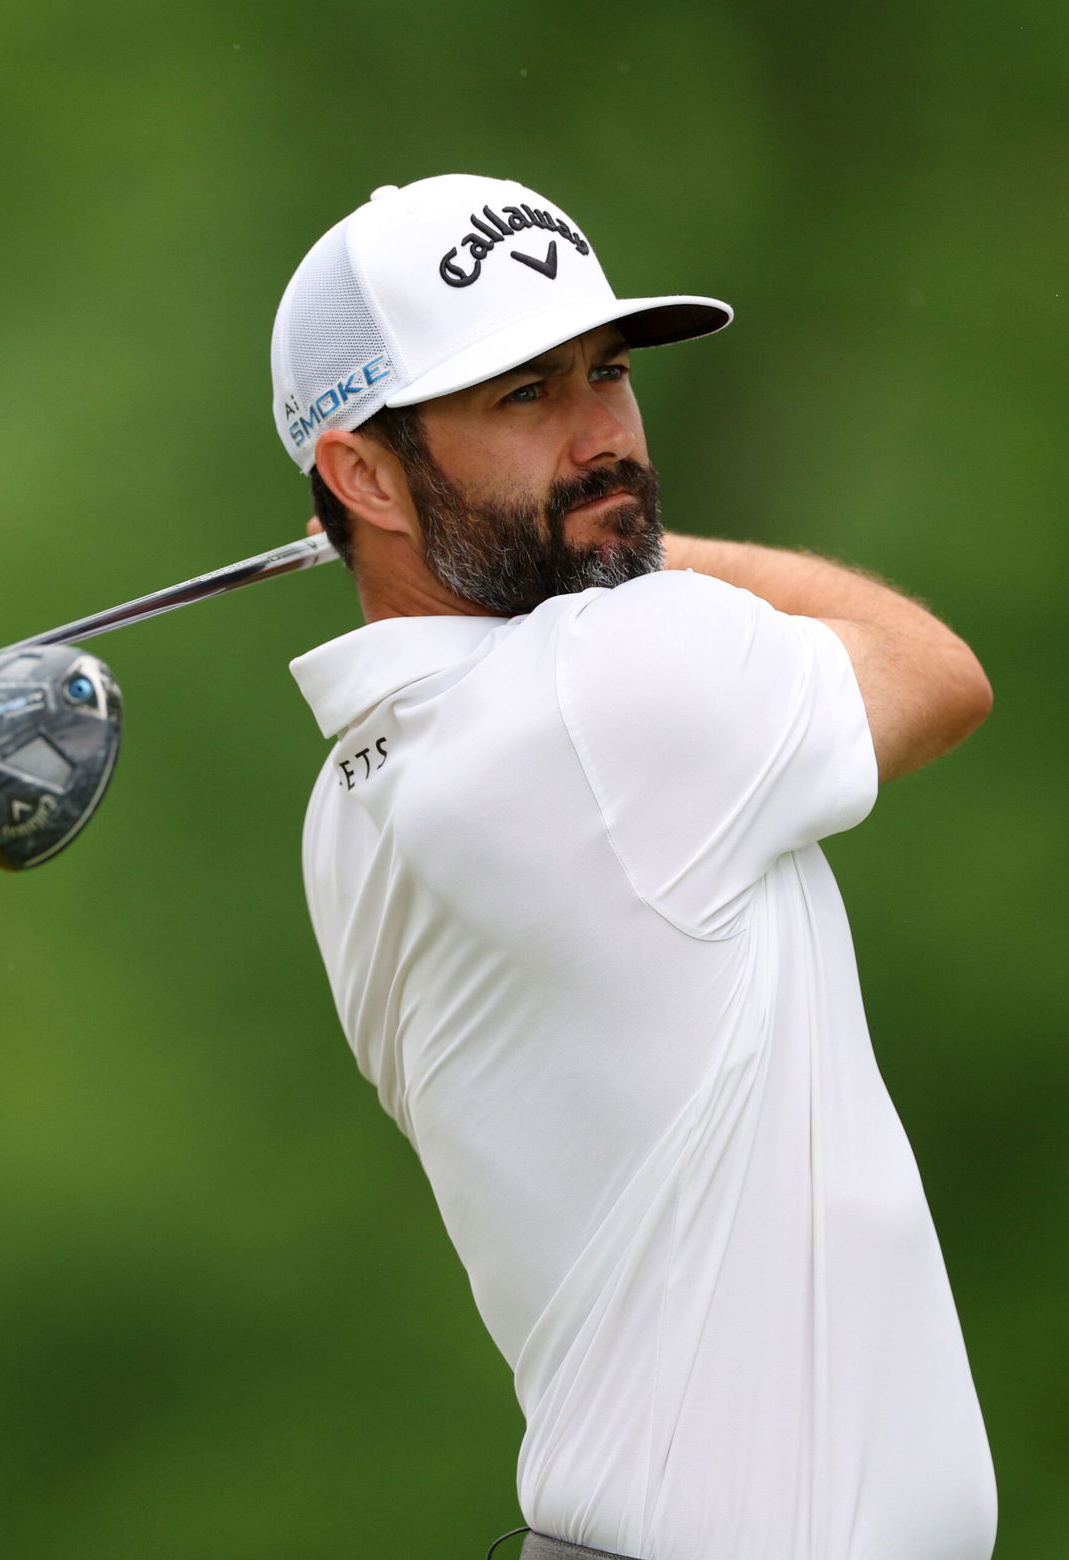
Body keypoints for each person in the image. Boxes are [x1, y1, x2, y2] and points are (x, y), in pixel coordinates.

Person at [274, 175, 997, 1560]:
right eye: (525, 398)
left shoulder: (350, 801)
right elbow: (937, 673)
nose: (606, 437)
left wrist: (594, 535)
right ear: (363, 472)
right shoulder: (612, 682)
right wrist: (648, 552)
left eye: (606, 374)